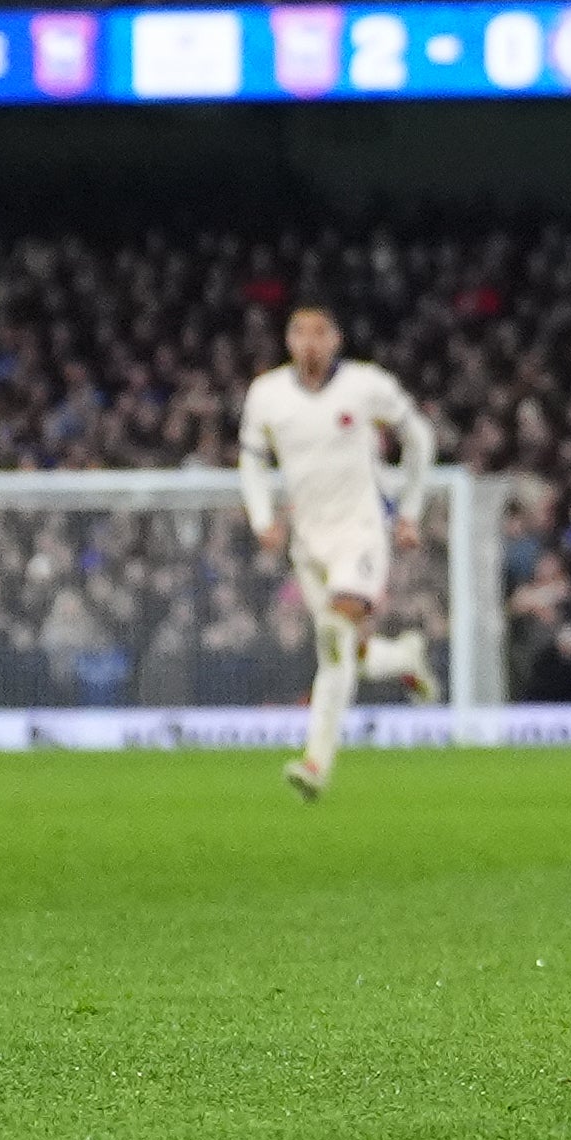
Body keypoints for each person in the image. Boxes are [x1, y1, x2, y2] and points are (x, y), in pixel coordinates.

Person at [237, 307, 441, 799]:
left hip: (361, 532)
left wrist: (410, 510)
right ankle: (404, 657)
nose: (310, 342)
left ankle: (316, 763)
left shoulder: (366, 385)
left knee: (333, 635)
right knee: (347, 650)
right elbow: (250, 459)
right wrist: (263, 517)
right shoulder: (267, 394)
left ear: (337, 339)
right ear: (288, 340)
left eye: (320, 333)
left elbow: (419, 437)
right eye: (300, 333)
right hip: (308, 543)